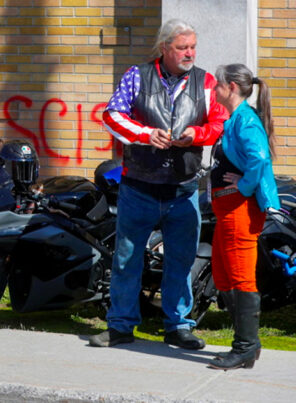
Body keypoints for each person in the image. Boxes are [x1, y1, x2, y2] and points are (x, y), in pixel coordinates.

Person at [90, 19, 228, 349]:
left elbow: (219, 122)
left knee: (181, 261)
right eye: (182, 47)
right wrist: (145, 134)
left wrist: (198, 134)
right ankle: (121, 325)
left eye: (193, 47)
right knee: (126, 258)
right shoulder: (136, 75)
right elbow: (112, 115)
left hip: (183, 189)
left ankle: (178, 326)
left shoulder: (205, 81)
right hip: (139, 186)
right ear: (164, 47)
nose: (189, 53)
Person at [207, 64, 279, 370]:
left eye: (218, 84)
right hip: (226, 210)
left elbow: (260, 160)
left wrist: (246, 184)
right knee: (222, 276)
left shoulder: (245, 121)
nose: (214, 89)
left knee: (240, 277)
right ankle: (250, 345)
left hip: (240, 209)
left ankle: (245, 347)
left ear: (232, 87)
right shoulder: (235, 118)